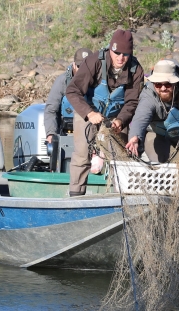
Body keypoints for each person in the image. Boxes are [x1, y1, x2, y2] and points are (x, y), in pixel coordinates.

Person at [65, 29, 144, 197]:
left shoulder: (136, 70)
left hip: (116, 115)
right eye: (117, 53)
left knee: (121, 157)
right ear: (110, 49)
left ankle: (121, 197)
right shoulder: (94, 61)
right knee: (82, 155)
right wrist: (89, 113)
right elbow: (72, 91)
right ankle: (75, 196)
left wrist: (121, 120)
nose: (120, 58)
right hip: (87, 109)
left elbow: (132, 102)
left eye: (125, 54)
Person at [125, 59, 179, 198]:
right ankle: (165, 201)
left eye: (168, 84)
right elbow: (139, 120)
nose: (163, 88)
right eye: (158, 84)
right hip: (157, 133)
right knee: (161, 168)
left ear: (175, 82)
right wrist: (135, 137)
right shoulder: (148, 98)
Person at [44, 47, 93, 144]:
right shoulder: (62, 81)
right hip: (66, 128)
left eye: (86, 67)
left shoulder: (99, 81)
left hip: (90, 128)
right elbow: (51, 110)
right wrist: (51, 134)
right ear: (74, 65)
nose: (83, 71)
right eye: (80, 66)